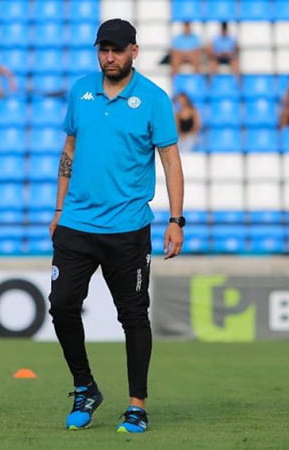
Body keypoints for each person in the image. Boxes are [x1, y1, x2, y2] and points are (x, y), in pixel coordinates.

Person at [48, 18, 185, 434]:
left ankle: (136, 405)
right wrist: (58, 210)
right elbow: (69, 148)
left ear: (133, 52)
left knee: (133, 316)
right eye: (103, 49)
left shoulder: (154, 99)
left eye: (117, 50)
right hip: (76, 223)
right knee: (61, 305)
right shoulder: (81, 91)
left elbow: (171, 162)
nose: (109, 57)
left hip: (127, 228)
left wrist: (176, 219)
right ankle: (85, 386)